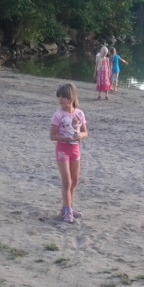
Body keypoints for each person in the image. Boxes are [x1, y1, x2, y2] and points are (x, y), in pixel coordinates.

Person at [50, 83, 88, 224]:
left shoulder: (79, 113)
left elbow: (85, 132)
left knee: (75, 180)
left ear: (71, 97)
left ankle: (67, 207)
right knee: (67, 181)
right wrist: (66, 138)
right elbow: (52, 136)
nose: (60, 99)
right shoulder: (58, 115)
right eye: (59, 96)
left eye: (64, 96)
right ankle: (68, 211)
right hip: (62, 150)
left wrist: (80, 136)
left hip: (75, 150)